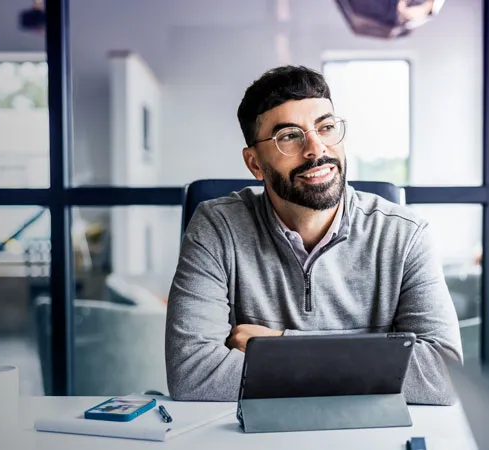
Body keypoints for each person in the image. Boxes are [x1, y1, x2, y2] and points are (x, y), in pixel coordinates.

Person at [165, 65, 462, 404]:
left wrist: (281, 348)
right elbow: (192, 375)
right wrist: (371, 366)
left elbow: (442, 376)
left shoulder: (405, 234)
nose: (316, 149)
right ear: (254, 164)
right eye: (289, 136)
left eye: (326, 127)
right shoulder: (216, 228)